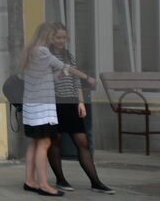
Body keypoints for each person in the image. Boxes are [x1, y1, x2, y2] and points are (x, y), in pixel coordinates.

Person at [20, 21, 90, 197]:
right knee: (44, 143)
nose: (55, 40)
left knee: (35, 143)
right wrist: (87, 77)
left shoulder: (30, 51)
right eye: (53, 36)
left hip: (31, 105)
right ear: (47, 36)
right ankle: (44, 185)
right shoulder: (43, 51)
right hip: (42, 107)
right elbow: (66, 67)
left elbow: (41, 77)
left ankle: (30, 181)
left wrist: (57, 76)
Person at [45, 25, 113, 194]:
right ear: (51, 38)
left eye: (63, 38)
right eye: (57, 37)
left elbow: (76, 80)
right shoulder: (46, 55)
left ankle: (96, 182)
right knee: (55, 141)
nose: (61, 41)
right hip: (54, 103)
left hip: (71, 102)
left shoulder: (69, 55)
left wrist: (80, 102)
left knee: (82, 142)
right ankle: (60, 179)